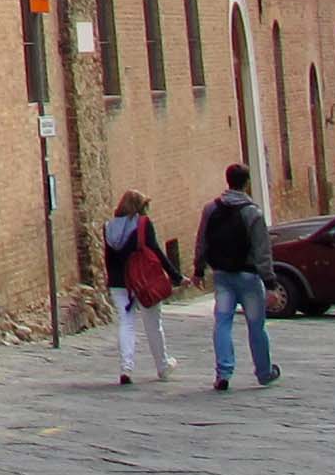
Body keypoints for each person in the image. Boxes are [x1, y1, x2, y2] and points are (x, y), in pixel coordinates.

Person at [194, 163, 281, 391]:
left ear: (228, 180)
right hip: (249, 277)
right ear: (247, 182)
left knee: (222, 323)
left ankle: (223, 372)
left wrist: (198, 269)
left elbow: (202, 240)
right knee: (256, 326)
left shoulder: (210, 209)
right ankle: (264, 372)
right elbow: (263, 252)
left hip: (222, 275)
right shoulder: (253, 212)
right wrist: (270, 283)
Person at [103, 190, 177, 384]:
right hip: (144, 281)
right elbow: (156, 251)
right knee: (153, 325)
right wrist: (175, 276)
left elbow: (108, 259)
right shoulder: (143, 224)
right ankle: (162, 366)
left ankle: (126, 368)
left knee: (126, 323)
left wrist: (110, 281)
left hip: (119, 283)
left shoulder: (108, 227)